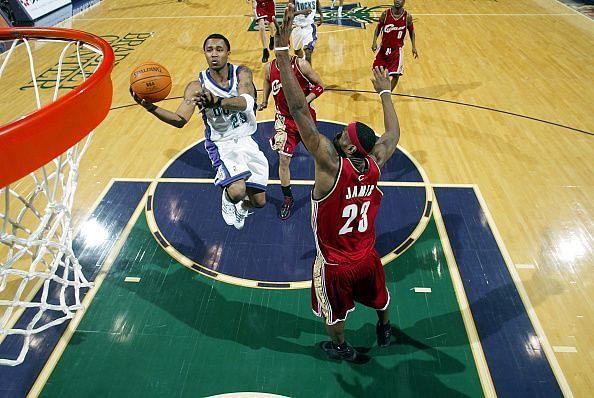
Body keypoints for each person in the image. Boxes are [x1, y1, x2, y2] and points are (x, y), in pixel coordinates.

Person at [274, 5, 401, 361]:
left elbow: (299, 112)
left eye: (344, 134)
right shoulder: (374, 163)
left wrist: (283, 55)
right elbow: (392, 134)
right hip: (367, 255)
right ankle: (385, 327)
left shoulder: (329, 165)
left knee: (334, 313)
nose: (340, 133)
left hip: (336, 264)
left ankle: (341, 346)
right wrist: (385, 92)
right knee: (380, 296)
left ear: (348, 146)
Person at [130, 33, 268, 230]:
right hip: (222, 144)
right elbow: (179, 120)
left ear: (228, 53)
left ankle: (243, 208)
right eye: (209, 50)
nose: (214, 54)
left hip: (247, 140)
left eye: (219, 50)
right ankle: (228, 200)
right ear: (204, 53)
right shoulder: (197, 87)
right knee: (237, 191)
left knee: (259, 202)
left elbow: (247, 102)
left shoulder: (242, 73)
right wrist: (150, 108)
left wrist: (219, 102)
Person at [258, 56, 324, 220]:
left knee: (320, 156)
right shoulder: (269, 67)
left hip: (304, 117)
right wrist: (265, 99)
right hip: (284, 120)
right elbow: (267, 80)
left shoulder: (301, 64)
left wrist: (303, 102)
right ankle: (288, 197)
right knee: (283, 160)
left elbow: (321, 86)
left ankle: (325, 188)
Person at [371, 0, 418, 91]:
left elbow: (412, 32)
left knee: (396, 75)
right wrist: (374, 41)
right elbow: (378, 28)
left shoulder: (407, 17)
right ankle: (383, 90)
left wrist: (414, 47)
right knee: (376, 73)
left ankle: (388, 93)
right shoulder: (385, 14)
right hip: (383, 49)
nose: (397, 0)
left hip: (396, 50)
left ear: (404, 2)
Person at [289, 0, 323, 64]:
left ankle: (307, 73)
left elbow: (317, 2)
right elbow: (289, 14)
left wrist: (321, 15)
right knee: (297, 51)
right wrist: (301, 12)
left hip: (309, 27)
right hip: (297, 27)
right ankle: (302, 65)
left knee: (308, 51)